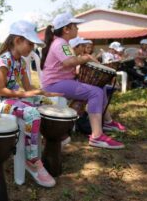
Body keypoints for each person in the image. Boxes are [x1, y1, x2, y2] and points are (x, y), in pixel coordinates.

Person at [0, 20, 62, 188]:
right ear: (18, 40)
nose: (32, 48)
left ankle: (43, 141)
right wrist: (25, 94)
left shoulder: (20, 62)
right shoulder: (5, 60)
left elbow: (28, 87)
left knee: (45, 102)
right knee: (32, 113)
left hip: (13, 99)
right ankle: (32, 160)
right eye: (30, 43)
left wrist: (42, 93)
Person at [40, 12, 126, 150]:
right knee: (95, 92)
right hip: (54, 85)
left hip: (61, 82)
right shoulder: (61, 43)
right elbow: (69, 61)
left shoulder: (62, 42)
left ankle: (107, 121)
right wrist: (87, 58)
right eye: (75, 26)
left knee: (100, 87)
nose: (77, 29)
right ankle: (97, 136)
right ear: (66, 29)